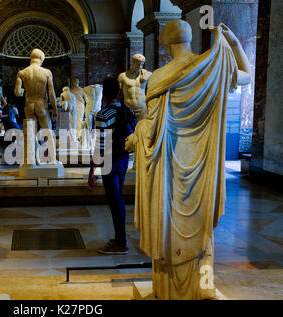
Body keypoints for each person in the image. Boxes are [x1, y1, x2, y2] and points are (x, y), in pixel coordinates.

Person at [124, 21, 252, 299]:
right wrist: (235, 44)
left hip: (169, 167)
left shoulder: (159, 77)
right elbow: (245, 75)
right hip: (202, 165)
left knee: (169, 228)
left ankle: (170, 292)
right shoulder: (211, 67)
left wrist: (136, 136)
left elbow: (151, 127)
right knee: (201, 225)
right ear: (189, 38)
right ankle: (200, 290)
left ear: (166, 44)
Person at [88, 77, 137, 255]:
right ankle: (119, 238)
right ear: (117, 92)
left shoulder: (103, 114)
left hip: (110, 160)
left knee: (115, 201)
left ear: (103, 94)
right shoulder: (127, 110)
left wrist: (92, 171)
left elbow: (100, 146)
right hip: (124, 159)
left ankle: (120, 242)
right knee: (118, 199)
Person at [14, 48, 59, 164]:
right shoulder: (46, 72)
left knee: (31, 134)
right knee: (48, 132)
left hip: (29, 105)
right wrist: (55, 109)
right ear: (41, 58)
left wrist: (23, 91)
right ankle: (53, 160)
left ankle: (35, 160)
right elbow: (51, 93)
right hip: (41, 105)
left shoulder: (22, 73)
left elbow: (17, 93)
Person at [118, 54, 151, 121]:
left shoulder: (145, 76)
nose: (139, 66)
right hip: (128, 109)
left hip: (143, 109)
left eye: (141, 64)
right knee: (129, 130)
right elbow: (118, 92)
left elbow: (151, 91)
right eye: (138, 64)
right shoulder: (123, 76)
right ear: (133, 63)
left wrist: (148, 74)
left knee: (142, 129)